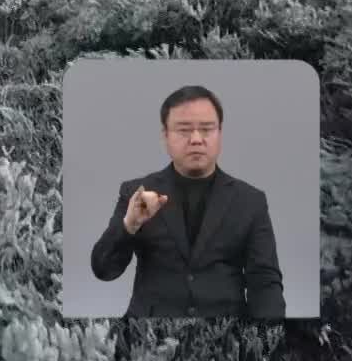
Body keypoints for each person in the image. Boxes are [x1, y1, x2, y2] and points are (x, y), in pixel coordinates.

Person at [89, 84, 285, 317]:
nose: (196, 139)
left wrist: (264, 343)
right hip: (148, 334)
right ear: (165, 135)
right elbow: (104, 270)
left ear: (220, 133)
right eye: (183, 130)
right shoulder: (137, 194)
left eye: (206, 129)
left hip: (226, 334)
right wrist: (129, 225)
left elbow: (265, 281)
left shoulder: (251, 200)